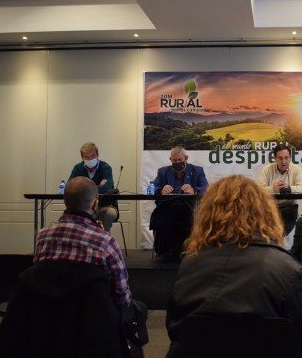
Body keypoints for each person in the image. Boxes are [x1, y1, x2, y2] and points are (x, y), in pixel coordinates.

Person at [165, 175, 302, 358]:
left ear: (207, 214)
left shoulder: (189, 264)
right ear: (265, 212)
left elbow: (175, 330)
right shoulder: (287, 269)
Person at [33, 176, 147, 346]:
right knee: (140, 308)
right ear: (95, 204)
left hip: (47, 316)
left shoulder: (42, 236)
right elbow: (121, 294)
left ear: (65, 202)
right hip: (93, 323)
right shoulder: (105, 242)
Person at [150, 145, 208, 260]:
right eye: (174, 160)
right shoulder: (163, 172)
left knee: (188, 217)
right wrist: (161, 190)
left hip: (188, 206)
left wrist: (194, 190)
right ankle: (166, 250)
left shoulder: (197, 170)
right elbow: (152, 188)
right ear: (170, 160)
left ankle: (186, 249)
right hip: (168, 206)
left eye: (180, 160)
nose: (177, 162)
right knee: (161, 217)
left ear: (186, 158)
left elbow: (205, 187)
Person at [258, 143, 302, 237]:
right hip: (270, 207)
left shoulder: (296, 169)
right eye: (280, 158)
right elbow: (259, 190)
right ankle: (275, 239)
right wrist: (273, 189)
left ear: (290, 158)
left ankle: (278, 238)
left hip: (289, 207)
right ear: (275, 158)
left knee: (287, 217)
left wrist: (289, 188)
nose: (284, 161)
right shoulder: (266, 170)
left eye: (286, 158)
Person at [69, 142, 118, 232]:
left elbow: (107, 188)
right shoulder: (77, 168)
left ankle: (102, 241)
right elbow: (70, 188)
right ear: (82, 157)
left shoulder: (106, 168)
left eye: (93, 156)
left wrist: (83, 187)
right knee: (71, 215)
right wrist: (98, 186)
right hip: (83, 207)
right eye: (87, 157)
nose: (90, 159)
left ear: (97, 155)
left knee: (108, 214)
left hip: (105, 205)